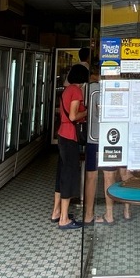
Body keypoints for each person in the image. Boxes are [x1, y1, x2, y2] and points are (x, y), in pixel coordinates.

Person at [81, 73, 131, 224]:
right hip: (115, 137)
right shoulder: (123, 88)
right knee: (114, 175)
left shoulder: (92, 88)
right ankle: (116, 213)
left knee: (92, 176)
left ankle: (89, 215)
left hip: (94, 137)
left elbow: (87, 109)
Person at [51, 63, 89, 230]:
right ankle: (64, 219)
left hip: (62, 134)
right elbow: (73, 116)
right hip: (70, 137)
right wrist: (87, 112)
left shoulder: (66, 90)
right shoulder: (76, 90)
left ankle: (56, 212)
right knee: (68, 175)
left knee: (61, 173)